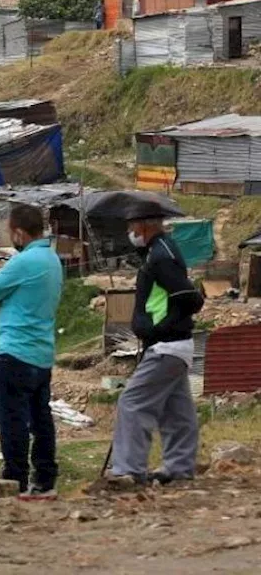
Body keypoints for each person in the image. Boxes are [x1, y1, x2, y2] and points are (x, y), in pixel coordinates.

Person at [108, 201, 205, 484]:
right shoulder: (159, 251)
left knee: (132, 402)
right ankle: (179, 467)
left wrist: (159, 328)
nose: (130, 231)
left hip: (166, 346)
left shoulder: (160, 256)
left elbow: (187, 296)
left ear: (144, 225)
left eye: (131, 226)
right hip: (173, 346)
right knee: (178, 411)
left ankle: (128, 469)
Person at [0, 205, 64, 500]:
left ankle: (15, 480)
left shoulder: (24, 261)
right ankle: (45, 480)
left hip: (15, 352)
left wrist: (1, 296)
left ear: (18, 232)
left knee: (12, 420)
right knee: (41, 419)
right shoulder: (52, 259)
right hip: (42, 352)